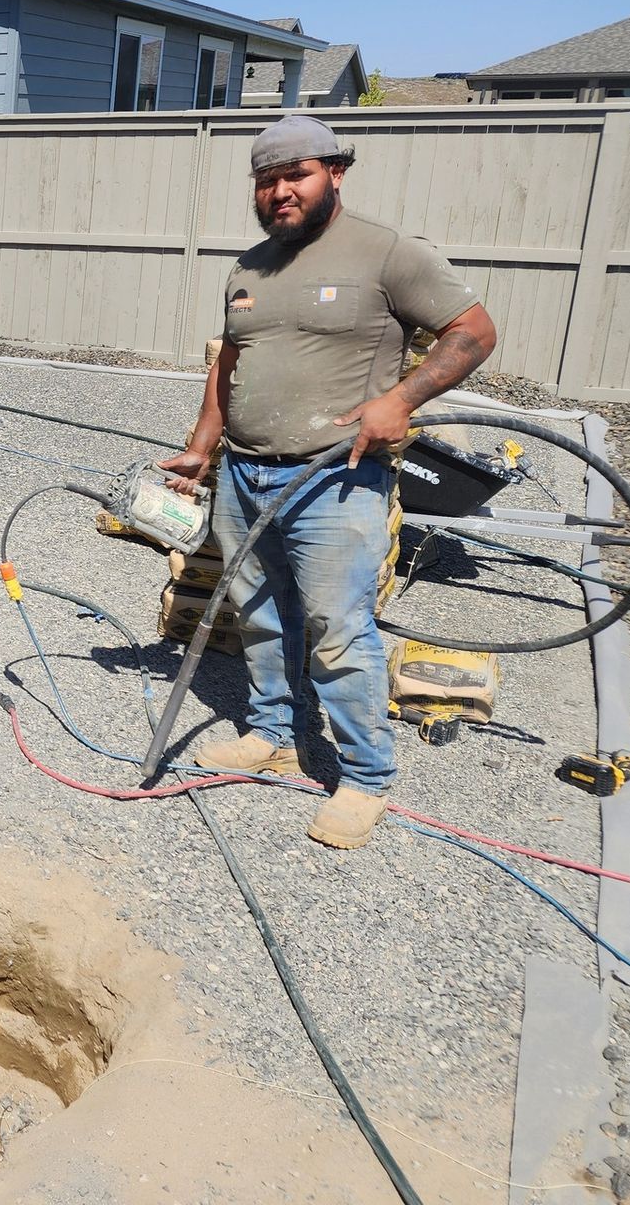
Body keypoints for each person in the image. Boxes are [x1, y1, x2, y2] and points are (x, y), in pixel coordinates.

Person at [158, 115, 497, 849]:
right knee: (258, 614)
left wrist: (400, 400)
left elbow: (474, 331)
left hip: (335, 480)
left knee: (337, 630)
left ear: (334, 174)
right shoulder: (247, 268)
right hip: (244, 474)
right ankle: (273, 735)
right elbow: (228, 365)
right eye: (266, 180)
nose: (280, 191)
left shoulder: (387, 253)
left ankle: (366, 777)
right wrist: (199, 447)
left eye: (296, 175)